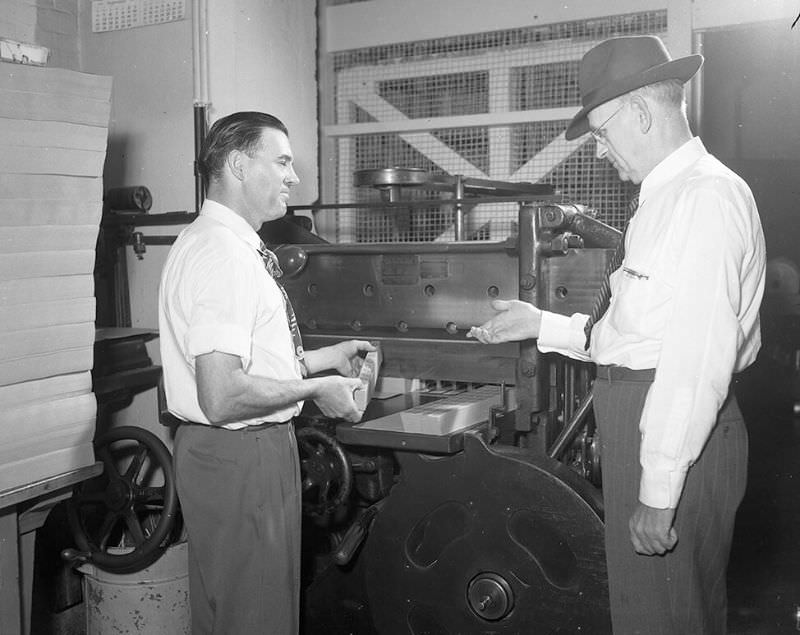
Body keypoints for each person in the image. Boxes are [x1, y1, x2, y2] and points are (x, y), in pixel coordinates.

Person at [468, 36, 765, 634]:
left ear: (641, 112)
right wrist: (540, 324)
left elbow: (693, 357)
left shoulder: (704, 198)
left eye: (601, 132)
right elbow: (638, 333)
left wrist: (659, 488)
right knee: (653, 613)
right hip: (653, 420)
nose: (600, 152)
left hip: (675, 431)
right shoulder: (665, 199)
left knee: (666, 619)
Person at [158, 111, 374, 634]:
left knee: (227, 612)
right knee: (258, 618)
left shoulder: (210, 241)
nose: (293, 177)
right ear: (237, 164)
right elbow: (223, 393)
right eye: (281, 161)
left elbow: (241, 365)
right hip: (244, 455)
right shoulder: (224, 256)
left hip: (223, 453)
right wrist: (319, 389)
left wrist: (325, 359)